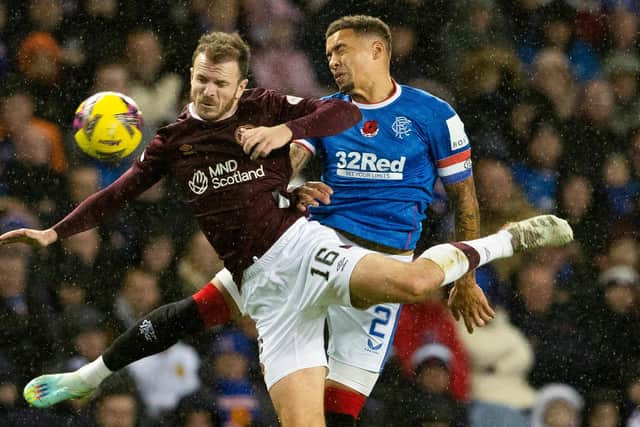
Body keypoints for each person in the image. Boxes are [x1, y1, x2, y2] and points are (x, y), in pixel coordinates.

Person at [2, 31, 573, 427]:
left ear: (240, 83)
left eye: (220, 84)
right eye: (201, 80)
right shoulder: (172, 141)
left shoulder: (266, 103)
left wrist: (283, 133)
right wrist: (56, 232)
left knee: (416, 285)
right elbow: (116, 194)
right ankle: (92, 376)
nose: (209, 92)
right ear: (191, 77)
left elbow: (344, 113)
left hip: (302, 250)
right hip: (263, 291)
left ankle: (507, 239)